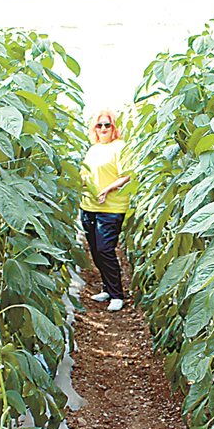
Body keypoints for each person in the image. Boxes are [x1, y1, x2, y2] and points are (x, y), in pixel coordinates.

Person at [80, 110, 132, 312]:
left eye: (107, 125)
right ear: (94, 128)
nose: (103, 129)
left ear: (114, 128)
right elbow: (84, 173)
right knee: (95, 250)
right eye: (99, 125)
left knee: (105, 249)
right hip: (89, 206)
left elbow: (127, 175)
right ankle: (107, 289)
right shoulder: (93, 149)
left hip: (111, 207)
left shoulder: (119, 147)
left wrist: (107, 189)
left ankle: (117, 294)